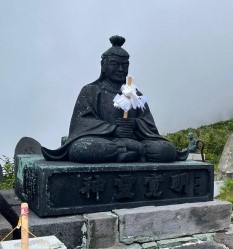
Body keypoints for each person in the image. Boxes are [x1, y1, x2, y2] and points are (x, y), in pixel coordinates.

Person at [41, 35, 188, 163]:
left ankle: (129, 150)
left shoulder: (136, 94)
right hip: (105, 141)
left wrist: (135, 124)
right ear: (103, 66)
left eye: (125, 65)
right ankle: (124, 150)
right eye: (115, 64)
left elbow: (149, 124)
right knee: (82, 149)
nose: (121, 69)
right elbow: (81, 122)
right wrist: (113, 129)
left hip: (135, 140)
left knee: (166, 150)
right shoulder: (91, 90)